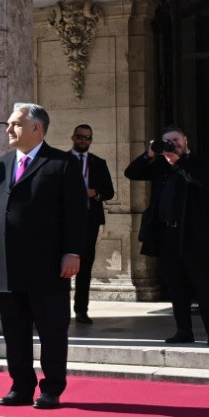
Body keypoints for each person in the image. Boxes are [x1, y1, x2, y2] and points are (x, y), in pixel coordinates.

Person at [0, 103, 87, 409]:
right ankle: (20, 386)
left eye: (15, 124)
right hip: (7, 264)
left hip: (48, 265)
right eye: (9, 124)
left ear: (36, 128)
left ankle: (51, 387)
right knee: (14, 331)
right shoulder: (0, 166)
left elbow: (77, 214)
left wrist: (72, 252)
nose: (8, 129)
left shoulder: (61, 163)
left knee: (52, 331)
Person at [124, 125, 209, 347]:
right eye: (168, 141)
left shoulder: (199, 162)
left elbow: (203, 182)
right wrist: (149, 154)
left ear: (186, 140)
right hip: (167, 233)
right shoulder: (160, 165)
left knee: (201, 286)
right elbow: (131, 173)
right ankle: (184, 331)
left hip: (192, 235)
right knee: (176, 287)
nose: (173, 145)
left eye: (176, 140)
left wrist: (177, 162)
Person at [69, 123, 114, 324]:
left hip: (90, 220)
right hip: (65, 221)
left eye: (87, 138)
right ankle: (58, 309)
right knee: (59, 266)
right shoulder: (61, 160)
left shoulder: (98, 163)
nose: (83, 141)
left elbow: (109, 192)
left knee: (85, 267)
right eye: (80, 137)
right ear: (73, 137)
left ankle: (81, 310)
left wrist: (94, 193)